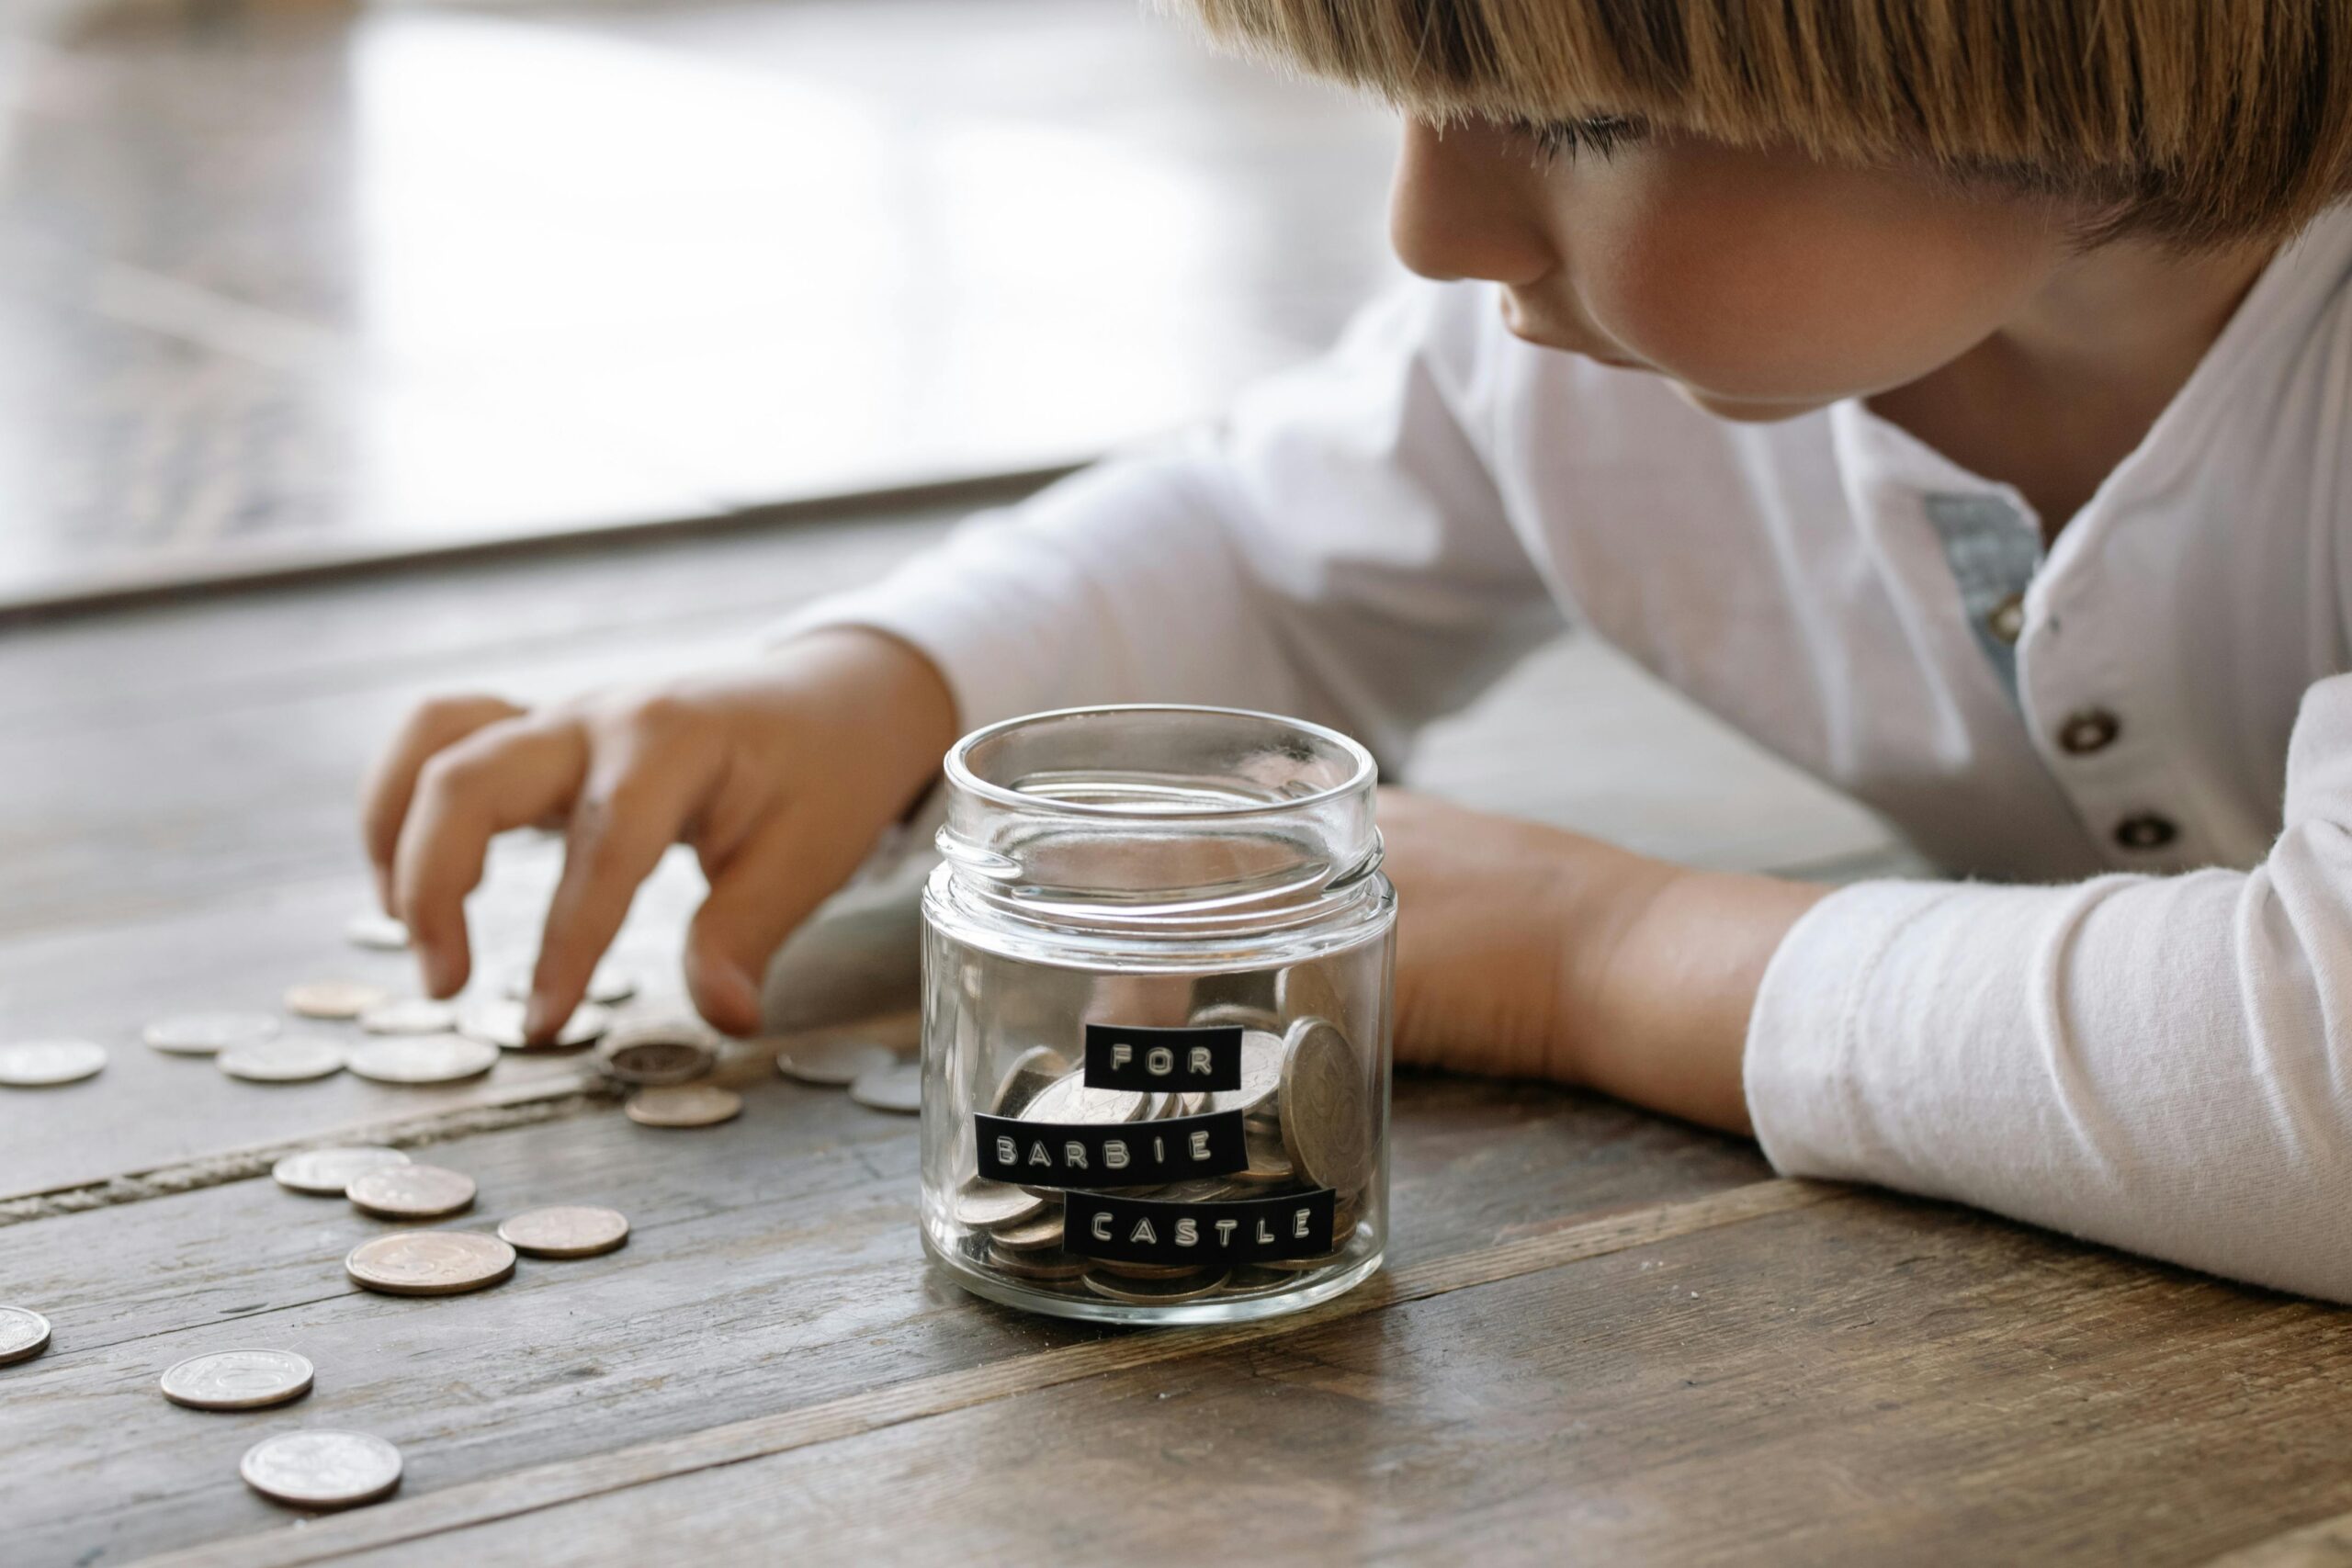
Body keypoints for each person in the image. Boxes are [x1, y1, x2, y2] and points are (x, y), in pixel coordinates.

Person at [362, 0, 2352, 1300]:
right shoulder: (1577, 367)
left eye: (1564, 115)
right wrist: (878, 678)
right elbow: (1263, 539)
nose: (1421, 223)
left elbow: (2316, 1081)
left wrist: (1600, 951)